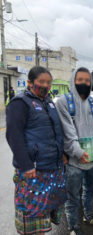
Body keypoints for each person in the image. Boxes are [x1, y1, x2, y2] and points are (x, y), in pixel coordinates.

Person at [6, 66, 66, 235]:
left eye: (48, 82)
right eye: (41, 82)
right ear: (30, 83)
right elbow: (14, 136)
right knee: (31, 218)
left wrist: (61, 154)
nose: (45, 85)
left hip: (50, 170)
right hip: (33, 171)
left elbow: (56, 131)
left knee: (42, 218)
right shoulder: (20, 103)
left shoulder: (49, 102)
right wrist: (26, 165)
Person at [55, 67, 93, 235]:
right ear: (73, 80)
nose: (84, 83)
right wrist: (79, 153)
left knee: (90, 189)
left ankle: (88, 215)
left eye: (87, 81)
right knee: (72, 196)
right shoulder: (64, 102)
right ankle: (73, 227)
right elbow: (67, 131)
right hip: (74, 161)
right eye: (80, 80)